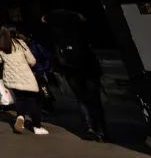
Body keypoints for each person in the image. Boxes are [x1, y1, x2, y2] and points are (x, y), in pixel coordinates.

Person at [43, 9, 108, 141]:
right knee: (95, 100)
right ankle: (101, 130)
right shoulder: (82, 30)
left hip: (71, 70)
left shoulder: (56, 33)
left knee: (82, 99)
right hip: (89, 68)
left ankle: (90, 128)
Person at [0, 26, 46, 135]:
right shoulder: (20, 43)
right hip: (26, 76)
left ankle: (20, 116)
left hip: (11, 78)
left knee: (20, 98)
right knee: (32, 100)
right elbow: (32, 60)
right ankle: (36, 126)